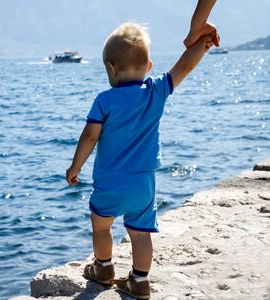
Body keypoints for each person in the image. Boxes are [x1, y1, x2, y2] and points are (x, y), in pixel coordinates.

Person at [65, 2, 219, 299]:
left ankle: (104, 267)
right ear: (149, 67)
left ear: (111, 68)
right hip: (143, 185)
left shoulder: (105, 100)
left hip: (109, 182)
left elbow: (89, 136)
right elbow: (185, 64)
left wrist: (75, 167)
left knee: (101, 225)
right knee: (139, 233)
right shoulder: (156, 90)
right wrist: (203, 42)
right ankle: (139, 280)